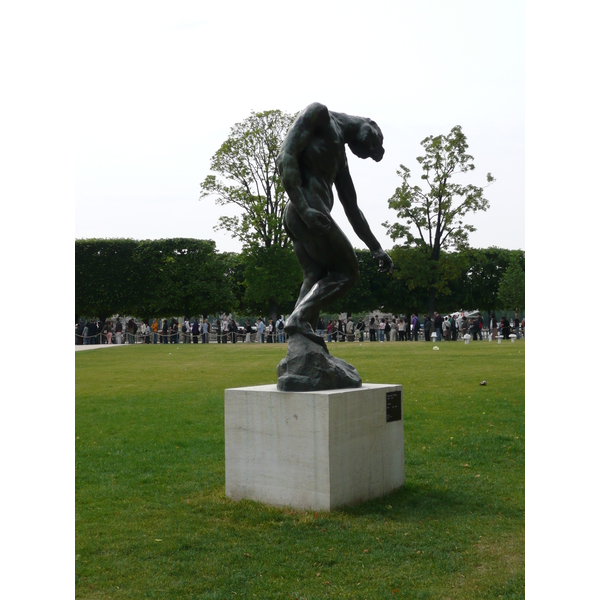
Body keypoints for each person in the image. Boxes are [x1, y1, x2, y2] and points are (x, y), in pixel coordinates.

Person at [277, 102, 393, 347]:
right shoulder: (319, 114)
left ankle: (301, 347)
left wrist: (376, 248)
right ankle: (298, 318)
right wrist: (305, 209)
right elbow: (285, 156)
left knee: (315, 277)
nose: (372, 148)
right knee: (348, 273)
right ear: (370, 123)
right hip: (307, 210)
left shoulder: (340, 157)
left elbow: (352, 209)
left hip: (304, 214)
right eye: (374, 141)